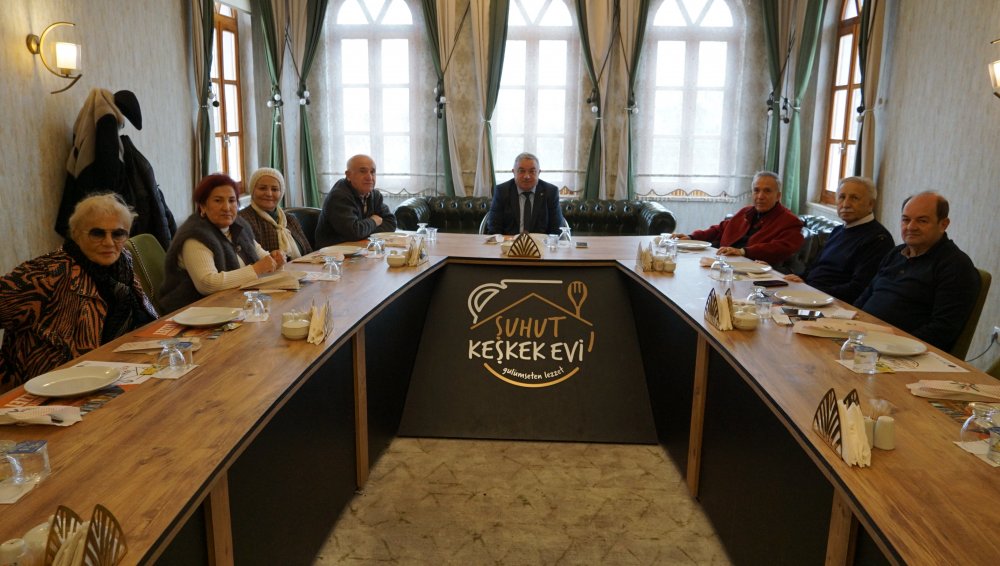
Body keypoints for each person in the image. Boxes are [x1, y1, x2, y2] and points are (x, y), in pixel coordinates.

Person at [1, 193, 157, 392]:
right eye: (97, 233)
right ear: (76, 234)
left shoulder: (122, 263)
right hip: (53, 386)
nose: (109, 242)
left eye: (118, 234)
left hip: (113, 372)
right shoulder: (47, 273)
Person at [854, 191, 980, 352]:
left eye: (922, 221)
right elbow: (866, 295)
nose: (911, 227)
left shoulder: (956, 266)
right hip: (864, 339)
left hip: (901, 351)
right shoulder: (896, 253)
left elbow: (942, 330)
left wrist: (886, 344)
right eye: (906, 219)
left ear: (943, 224)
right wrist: (849, 325)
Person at [160, 174, 286, 313]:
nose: (226, 207)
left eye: (232, 201)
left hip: (233, 306)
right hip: (193, 312)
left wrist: (275, 259)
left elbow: (262, 257)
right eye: (218, 200)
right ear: (203, 206)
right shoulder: (195, 236)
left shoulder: (239, 226)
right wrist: (256, 269)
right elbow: (207, 284)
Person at [783, 177, 894, 303]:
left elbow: (857, 289)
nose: (846, 204)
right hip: (811, 294)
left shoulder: (878, 239)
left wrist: (812, 291)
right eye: (842, 197)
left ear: (871, 204)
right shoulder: (838, 230)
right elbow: (816, 266)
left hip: (834, 303)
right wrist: (800, 279)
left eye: (854, 198)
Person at [674, 171, 804, 265]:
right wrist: (691, 237)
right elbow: (719, 229)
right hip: (723, 263)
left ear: (778, 196)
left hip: (754, 270)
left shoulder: (790, 221)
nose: (760, 196)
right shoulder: (746, 212)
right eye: (756, 190)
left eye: (767, 191)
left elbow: (779, 249)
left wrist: (743, 252)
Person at [315, 154, 397, 247]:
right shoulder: (339, 196)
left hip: (359, 250)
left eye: (372, 172)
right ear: (348, 175)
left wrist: (364, 231)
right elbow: (354, 232)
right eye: (363, 171)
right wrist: (374, 221)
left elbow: (391, 222)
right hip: (332, 253)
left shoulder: (374, 195)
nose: (369, 177)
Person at [238, 167, 313, 259]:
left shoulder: (290, 219)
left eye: (274, 189)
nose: (269, 194)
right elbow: (250, 259)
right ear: (252, 190)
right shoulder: (242, 220)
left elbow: (309, 253)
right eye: (262, 188)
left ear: (281, 193)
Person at [486, 152, 564, 235]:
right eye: (521, 171)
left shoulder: (551, 192)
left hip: (541, 243)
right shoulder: (502, 191)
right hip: (509, 242)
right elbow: (494, 229)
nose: (527, 176)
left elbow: (557, 230)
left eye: (532, 171)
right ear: (514, 172)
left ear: (539, 173)